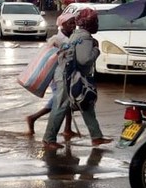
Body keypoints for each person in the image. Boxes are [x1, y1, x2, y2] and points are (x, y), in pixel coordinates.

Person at [42, 8, 112, 149]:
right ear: (89, 24)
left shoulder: (77, 34)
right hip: (68, 77)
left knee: (86, 105)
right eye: (95, 22)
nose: (97, 25)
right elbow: (84, 60)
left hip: (69, 75)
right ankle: (48, 139)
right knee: (60, 106)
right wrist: (96, 50)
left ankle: (96, 136)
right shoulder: (85, 37)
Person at [25, 12, 77, 136]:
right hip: (57, 77)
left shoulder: (73, 38)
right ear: (62, 25)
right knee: (60, 101)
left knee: (67, 101)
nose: (73, 26)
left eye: (74, 23)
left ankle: (67, 129)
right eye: (70, 23)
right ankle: (33, 118)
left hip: (69, 74)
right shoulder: (56, 40)